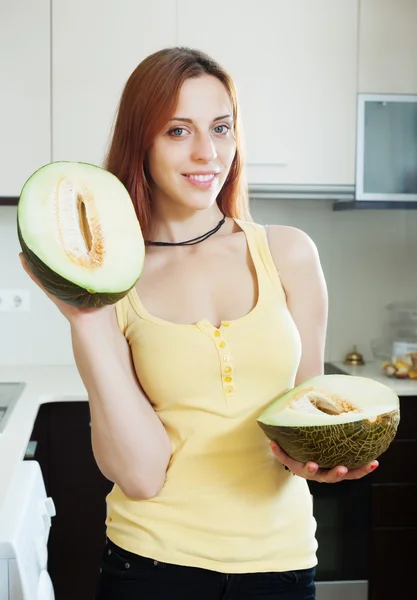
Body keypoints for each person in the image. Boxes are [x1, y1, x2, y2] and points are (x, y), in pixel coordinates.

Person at [20, 47, 379, 600]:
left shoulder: (288, 254)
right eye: (178, 131)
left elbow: (303, 420)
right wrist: (86, 321)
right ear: (142, 140)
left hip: (281, 567)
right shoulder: (112, 281)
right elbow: (139, 476)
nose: (207, 152)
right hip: (151, 567)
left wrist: (323, 461)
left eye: (221, 128)